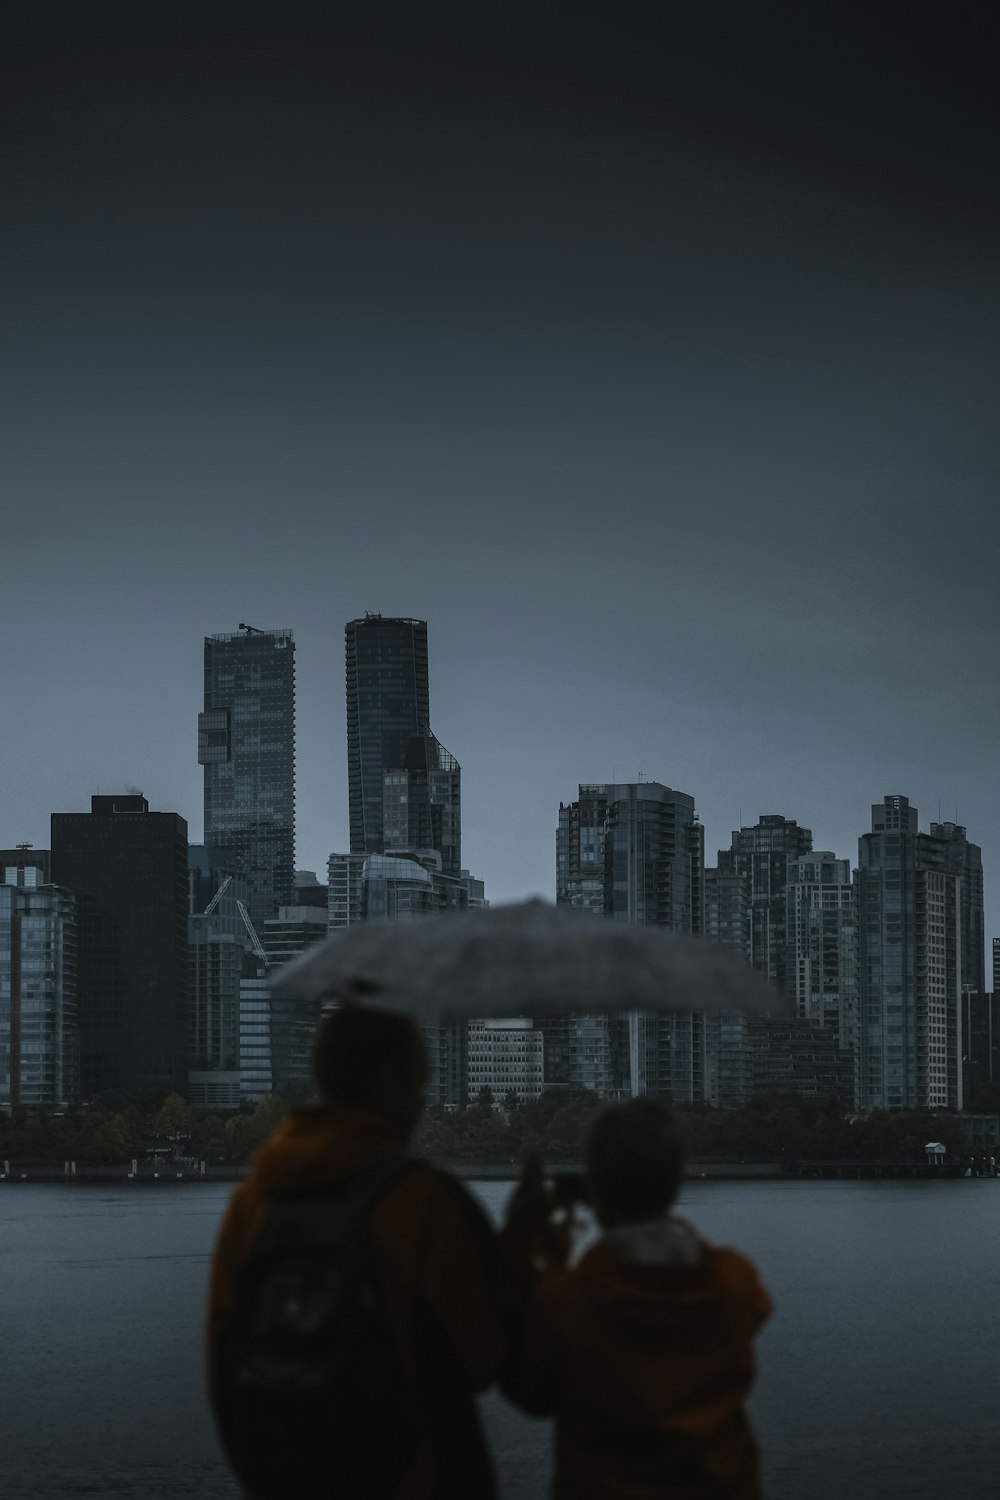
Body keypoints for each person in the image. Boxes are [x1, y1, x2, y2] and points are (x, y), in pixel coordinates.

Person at [207, 1005, 511, 1499]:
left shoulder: (253, 1202)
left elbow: (223, 1367)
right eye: (418, 1080)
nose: (420, 1098)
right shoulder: (423, 1202)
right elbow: (485, 1358)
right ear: (390, 1083)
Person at [503, 1098, 771, 1500]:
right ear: (676, 1181)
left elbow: (529, 1391)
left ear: (594, 1185)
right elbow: (748, 1301)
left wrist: (525, 1247)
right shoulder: (732, 1283)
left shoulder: (568, 1301)